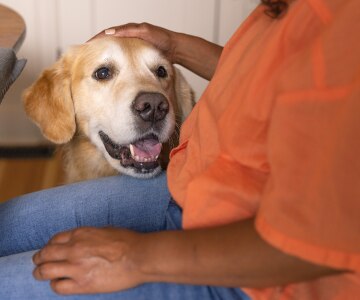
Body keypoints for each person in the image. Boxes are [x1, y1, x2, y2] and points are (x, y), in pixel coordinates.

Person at [0, 0, 359, 299]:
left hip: (260, 281)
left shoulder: (342, 25)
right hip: (196, 191)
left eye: (160, 74)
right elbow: (265, 81)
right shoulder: (287, 7)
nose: (151, 101)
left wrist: (135, 256)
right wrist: (175, 47)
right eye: (105, 73)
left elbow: (313, 240)